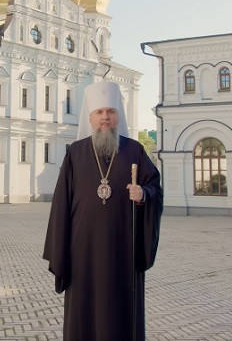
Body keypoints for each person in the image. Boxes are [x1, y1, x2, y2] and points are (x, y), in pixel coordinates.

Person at [43, 81, 163, 341]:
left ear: (118, 114)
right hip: (82, 253)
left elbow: (155, 188)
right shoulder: (75, 153)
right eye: (99, 112)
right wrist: (60, 251)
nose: (105, 117)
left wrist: (143, 194)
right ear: (91, 117)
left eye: (110, 111)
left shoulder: (135, 150)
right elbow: (62, 203)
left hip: (124, 251)